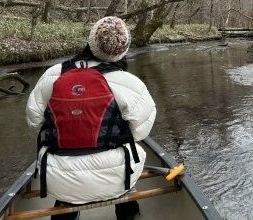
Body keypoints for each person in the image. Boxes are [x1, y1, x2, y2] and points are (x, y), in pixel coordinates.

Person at [26, 16, 156, 220]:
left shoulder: (53, 74)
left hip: (58, 179)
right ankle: (127, 212)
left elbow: (35, 122)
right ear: (123, 50)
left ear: (91, 41)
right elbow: (140, 132)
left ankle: (65, 206)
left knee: (63, 189)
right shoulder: (130, 83)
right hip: (115, 179)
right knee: (133, 151)